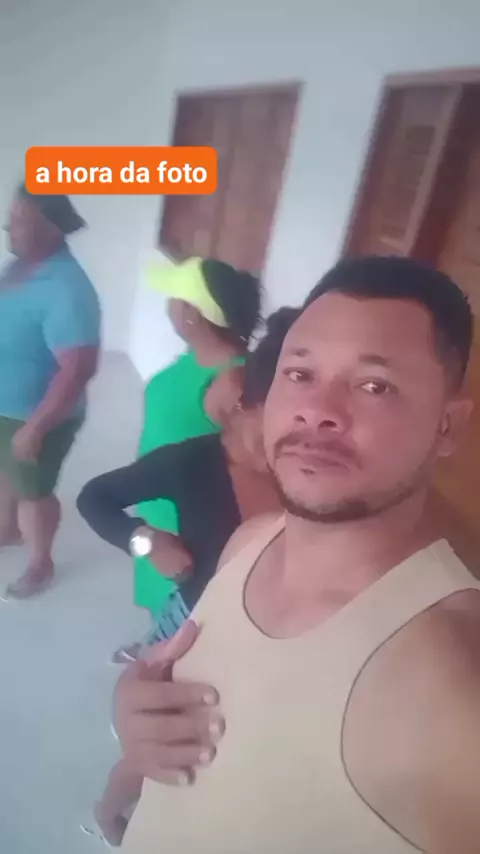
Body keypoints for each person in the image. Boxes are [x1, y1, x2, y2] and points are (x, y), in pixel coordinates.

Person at [114, 256, 480, 854]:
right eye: (300, 373)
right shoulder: (250, 542)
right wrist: (134, 717)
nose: (318, 410)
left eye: (374, 385)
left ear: (449, 426)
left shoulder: (449, 684)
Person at [76, 309, 294, 846]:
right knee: (157, 744)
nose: (284, 447)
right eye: (271, 427)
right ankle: (108, 811)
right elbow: (94, 497)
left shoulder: (304, 472)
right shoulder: (191, 463)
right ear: (243, 404)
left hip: (266, 634)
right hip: (193, 627)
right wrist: (146, 540)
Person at [117, 256, 262, 663]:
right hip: (159, 503)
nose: (168, 307)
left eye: (175, 299)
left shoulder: (232, 381)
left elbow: (252, 459)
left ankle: (165, 661)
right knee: (157, 591)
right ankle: (155, 642)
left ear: (192, 314)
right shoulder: (194, 357)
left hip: (187, 518)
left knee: (184, 603)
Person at [0, 183, 101, 599]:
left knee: (34, 491)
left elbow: (78, 369)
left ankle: (40, 564)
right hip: (7, 406)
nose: (8, 226)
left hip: (37, 413)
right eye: (11, 216)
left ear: (53, 227)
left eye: (20, 220)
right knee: (7, 472)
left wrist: (37, 427)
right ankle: (7, 530)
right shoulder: (18, 266)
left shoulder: (67, 287)